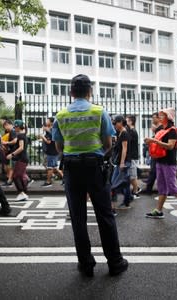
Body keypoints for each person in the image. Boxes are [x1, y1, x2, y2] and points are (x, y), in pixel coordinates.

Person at [52, 74, 128, 277]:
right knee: (105, 215)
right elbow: (108, 144)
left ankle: (86, 264)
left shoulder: (61, 115)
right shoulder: (98, 111)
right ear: (89, 91)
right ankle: (115, 262)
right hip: (95, 169)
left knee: (78, 218)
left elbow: (59, 147)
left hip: (71, 169)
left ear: (71, 92)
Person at [145, 108, 177, 219]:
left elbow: (170, 146)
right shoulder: (161, 129)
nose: (159, 117)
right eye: (160, 115)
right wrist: (149, 142)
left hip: (169, 162)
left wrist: (154, 141)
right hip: (159, 161)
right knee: (161, 187)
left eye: (162, 115)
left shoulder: (173, 130)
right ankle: (158, 210)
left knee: (172, 188)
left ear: (168, 117)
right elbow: (158, 144)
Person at [110, 115, 133, 210]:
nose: (114, 124)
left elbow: (125, 149)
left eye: (116, 123)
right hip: (121, 162)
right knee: (125, 183)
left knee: (114, 183)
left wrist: (122, 163)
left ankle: (112, 207)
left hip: (123, 162)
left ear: (120, 123)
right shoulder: (120, 133)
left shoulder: (124, 133)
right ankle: (127, 202)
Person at [6, 120, 30, 201]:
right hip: (23, 158)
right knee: (21, 176)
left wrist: (12, 154)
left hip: (21, 159)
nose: (14, 128)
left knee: (16, 176)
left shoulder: (20, 135)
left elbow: (21, 148)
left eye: (15, 126)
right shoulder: (23, 135)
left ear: (18, 127)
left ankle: (22, 193)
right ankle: (24, 192)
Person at [40, 117, 63, 187]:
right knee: (53, 167)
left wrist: (42, 137)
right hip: (51, 152)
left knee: (50, 167)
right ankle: (64, 179)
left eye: (47, 120)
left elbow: (49, 141)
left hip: (52, 152)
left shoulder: (51, 130)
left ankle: (48, 182)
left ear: (51, 122)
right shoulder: (50, 130)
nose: (46, 121)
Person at [143, 112, 162, 194]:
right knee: (154, 170)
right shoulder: (158, 128)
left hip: (159, 152)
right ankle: (149, 187)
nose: (152, 119)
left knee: (154, 170)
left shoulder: (160, 128)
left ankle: (149, 188)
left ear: (158, 118)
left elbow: (159, 139)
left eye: (153, 117)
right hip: (155, 152)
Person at [125, 115, 141, 198]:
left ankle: (135, 191)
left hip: (132, 157)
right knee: (131, 176)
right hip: (131, 156)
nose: (125, 122)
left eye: (126, 120)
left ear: (131, 121)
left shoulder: (132, 131)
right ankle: (136, 188)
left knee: (132, 176)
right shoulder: (130, 131)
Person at [1, 118, 17, 187]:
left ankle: (9, 181)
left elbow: (14, 141)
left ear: (8, 125)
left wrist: (6, 143)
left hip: (13, 152)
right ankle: (9, 180)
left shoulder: (13, 131)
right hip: (11, 152)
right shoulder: (10, 132)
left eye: (5, 126)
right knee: (11, 167)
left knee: (11, 167)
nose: (6, 128)